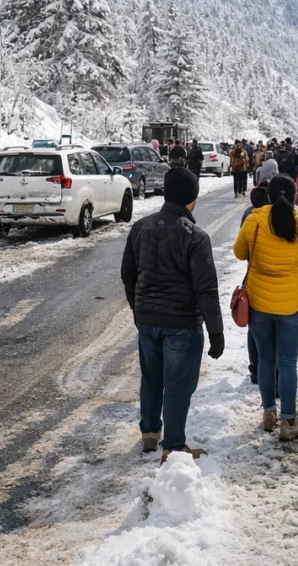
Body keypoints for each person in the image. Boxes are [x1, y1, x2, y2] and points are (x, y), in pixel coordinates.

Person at [120, 168, 224, 461]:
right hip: (182, 324)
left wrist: (138, 307)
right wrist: (216, 333)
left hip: (148, 321)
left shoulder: (141, 227)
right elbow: (206, 290)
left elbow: (127, 274)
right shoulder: (195, 236)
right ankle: (174, 446)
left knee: (151, 378)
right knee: (178, 385)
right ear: (193, 197)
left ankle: (150, 433)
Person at [234, 175, 298, 441]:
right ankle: (289, 421)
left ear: (269, 196)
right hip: (291, 305)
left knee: (265, 359)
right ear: (296, 197)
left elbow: (239, 253)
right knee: (287, 363)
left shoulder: (254, 220)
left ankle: (269, 414)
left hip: (259, 303)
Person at [240, 186, 272, 385]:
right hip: (271, 275)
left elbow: (240, 250)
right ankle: (270, 370)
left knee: (254, 328)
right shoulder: (272, 216)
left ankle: (255, 369)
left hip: (253, 273)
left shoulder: (247, 215)